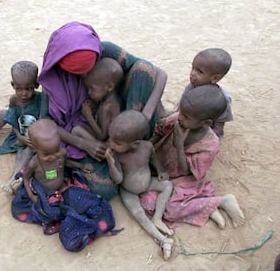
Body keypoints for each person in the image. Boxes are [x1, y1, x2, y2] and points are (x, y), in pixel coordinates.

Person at [38, 21, 167, 199]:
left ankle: (133, 142)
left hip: (124, 120)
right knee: (105, 189)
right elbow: (46, 124)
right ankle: (123, 157)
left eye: (89, 70)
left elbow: (160, 74)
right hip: (85, 135)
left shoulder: (103, 50)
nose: (85, 78)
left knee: (143, 71)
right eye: (78, 74)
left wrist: (141, 119)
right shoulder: (53, 78)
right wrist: (84, 144)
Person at [140, 84, 245, 229]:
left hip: (183, 178)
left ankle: (221, 201)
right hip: (161, 169)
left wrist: (179, 146)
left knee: (168, 207)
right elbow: (159, 131)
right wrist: (147, 148)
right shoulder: (178, 119)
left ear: (206, 123)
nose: (180, 117)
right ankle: (207, 208)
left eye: (186, 116)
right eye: (181, 111)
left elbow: (185, 171)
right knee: (147, 198)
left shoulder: (210, 144)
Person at [11, 119, 120, 252]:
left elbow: (66, 162)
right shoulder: (34, 163)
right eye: (46, 154)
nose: (53, 156)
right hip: (46, 193)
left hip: (64, 187)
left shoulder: (61, 154)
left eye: (56, 150)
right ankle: (73, 232)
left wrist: (81, 166)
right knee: (51, 212)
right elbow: (27, 178)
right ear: (34, 149)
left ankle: (87, 226)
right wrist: (32, 196)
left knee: (86, 201)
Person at [105, 110, 174, 260]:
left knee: (168, 185)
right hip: (128, 190)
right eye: (110, 139)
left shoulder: (147, 147)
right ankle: (162, 240)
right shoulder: (117, 155)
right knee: (139, 215)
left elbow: (153, 158)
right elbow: (118, 180)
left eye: (117, 143)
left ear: (135, 144)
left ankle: (157, 218)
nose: (111, 144)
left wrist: (160, 170)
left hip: (148, 182)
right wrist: (111, 163)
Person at [0, 61, 42, 194]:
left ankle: (15, 177)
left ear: (36, 85)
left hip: (34, 138)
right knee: (20, 152)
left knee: (28, 152)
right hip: (20, 134)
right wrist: (19, 137)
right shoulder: (14, 100)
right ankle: (15, 177)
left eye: (28, 89)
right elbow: (13, 120)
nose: (23, 94)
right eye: (19, 89)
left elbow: (42, 121)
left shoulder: (41, 99)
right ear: (13, 85)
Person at [171, 48, 234, 140]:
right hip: (187, 123)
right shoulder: (191, 87)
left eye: (199, 71)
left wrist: (202, 140)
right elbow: (181, 109)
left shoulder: (221, 100)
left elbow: (218, 128)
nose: (192, 73)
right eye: (193, 68)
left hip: (204, 133)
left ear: (215, 78)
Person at [72, 57, 122, 142]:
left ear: (109, 87)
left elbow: (102, 136)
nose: (89, 92)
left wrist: (88, 116)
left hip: (107, 143)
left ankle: (99, 151)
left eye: (92, 89)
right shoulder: (105, 99)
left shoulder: (109, 106)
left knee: (76, 130)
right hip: (101, 135)